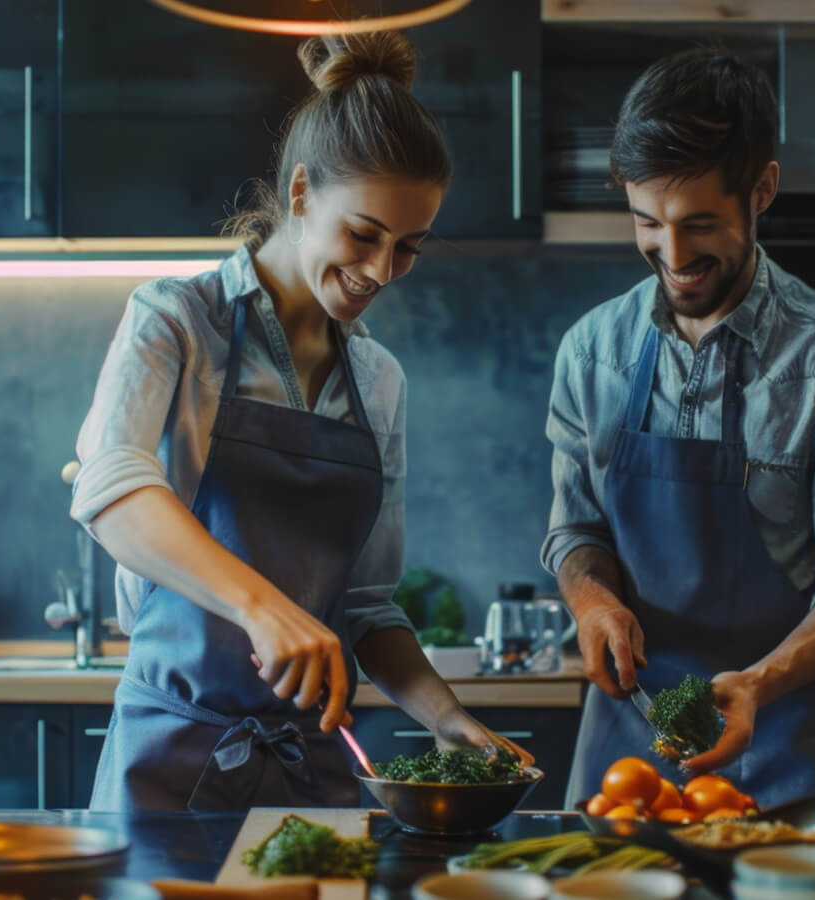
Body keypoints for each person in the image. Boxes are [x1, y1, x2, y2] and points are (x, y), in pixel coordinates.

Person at [71, 30, 530, 812]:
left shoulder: (378, 380)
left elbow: (367, 606)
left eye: (409, 248)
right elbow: (109, 487)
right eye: (363, 235)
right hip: (168, 758)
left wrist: (447, 718)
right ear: (300, 195)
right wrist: (264, 608)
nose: (382, 272)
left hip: (310, 769)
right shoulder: (177, 322)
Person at [543, 47, 815, 811]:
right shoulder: (591, 353)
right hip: (624, 762)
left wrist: (760, 682)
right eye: (646, 222)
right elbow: (574, 532)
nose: (671, 256)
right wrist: (594, 604)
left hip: (784, 752)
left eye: (699, 223)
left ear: (761, 188)